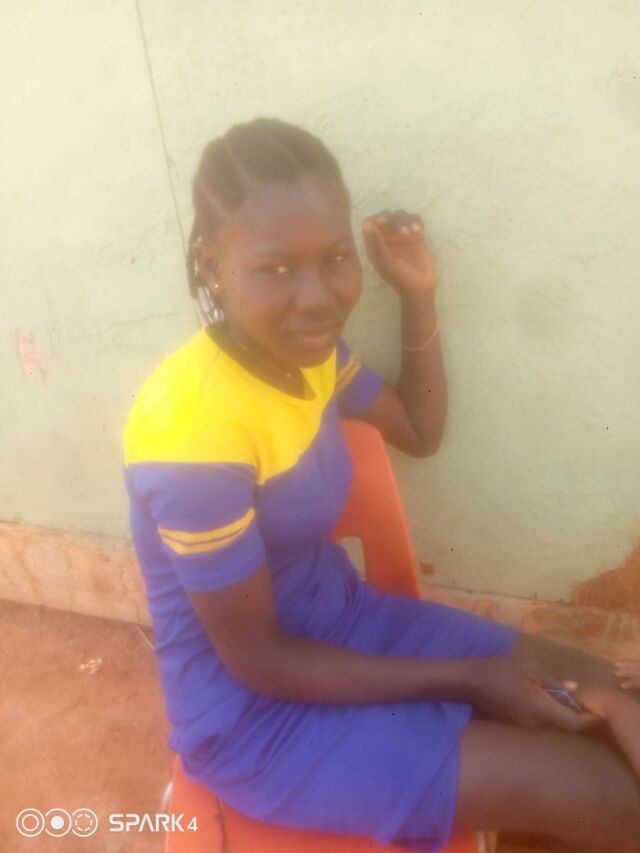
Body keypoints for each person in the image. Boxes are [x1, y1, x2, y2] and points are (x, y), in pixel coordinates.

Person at [123, 117, 640, 852]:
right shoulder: (191, 431)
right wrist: (469, 679)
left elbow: (419, 431)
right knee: (610, 793)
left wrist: (416, 293)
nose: (317, 296)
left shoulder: (310, 357)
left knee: (607, 689)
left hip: (353, 625)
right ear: (213, 264)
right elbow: (260, 659)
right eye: (276, 269)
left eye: (334, 259)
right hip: (258, 717)